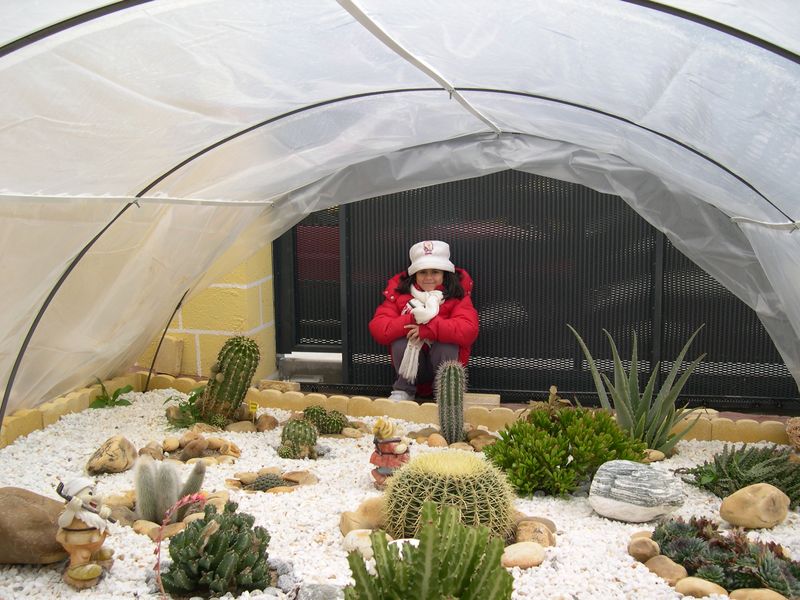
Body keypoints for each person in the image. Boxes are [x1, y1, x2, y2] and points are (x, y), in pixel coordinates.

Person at [369, 240, 479, 401]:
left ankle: (447, 393)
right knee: (400, 341)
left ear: (444, 274)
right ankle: (404, 390)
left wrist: (429, 328)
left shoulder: (457, 296)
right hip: (411, 369)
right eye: (422, 272)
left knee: (447, 344)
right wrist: (412, 319)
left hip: (444, 369)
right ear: (414, 274)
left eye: (435, 272)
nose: (428, 277)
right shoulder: (400, 294)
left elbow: (468, 330)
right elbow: (379, 328)